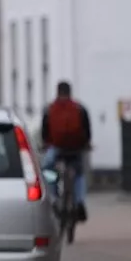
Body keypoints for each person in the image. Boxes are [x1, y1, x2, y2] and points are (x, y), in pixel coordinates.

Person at [40, 81, 92, 222]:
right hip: (76, 149)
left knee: (47, 169)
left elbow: (45, 132)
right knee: (80, 173)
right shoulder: (80, 109)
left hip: (57, 149)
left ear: (57, 92)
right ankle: (80, 201)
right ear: (70, 92)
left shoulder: (49, 109)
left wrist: (45, 144)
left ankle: (54, 197)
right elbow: (87, 131)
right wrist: (86, 144)